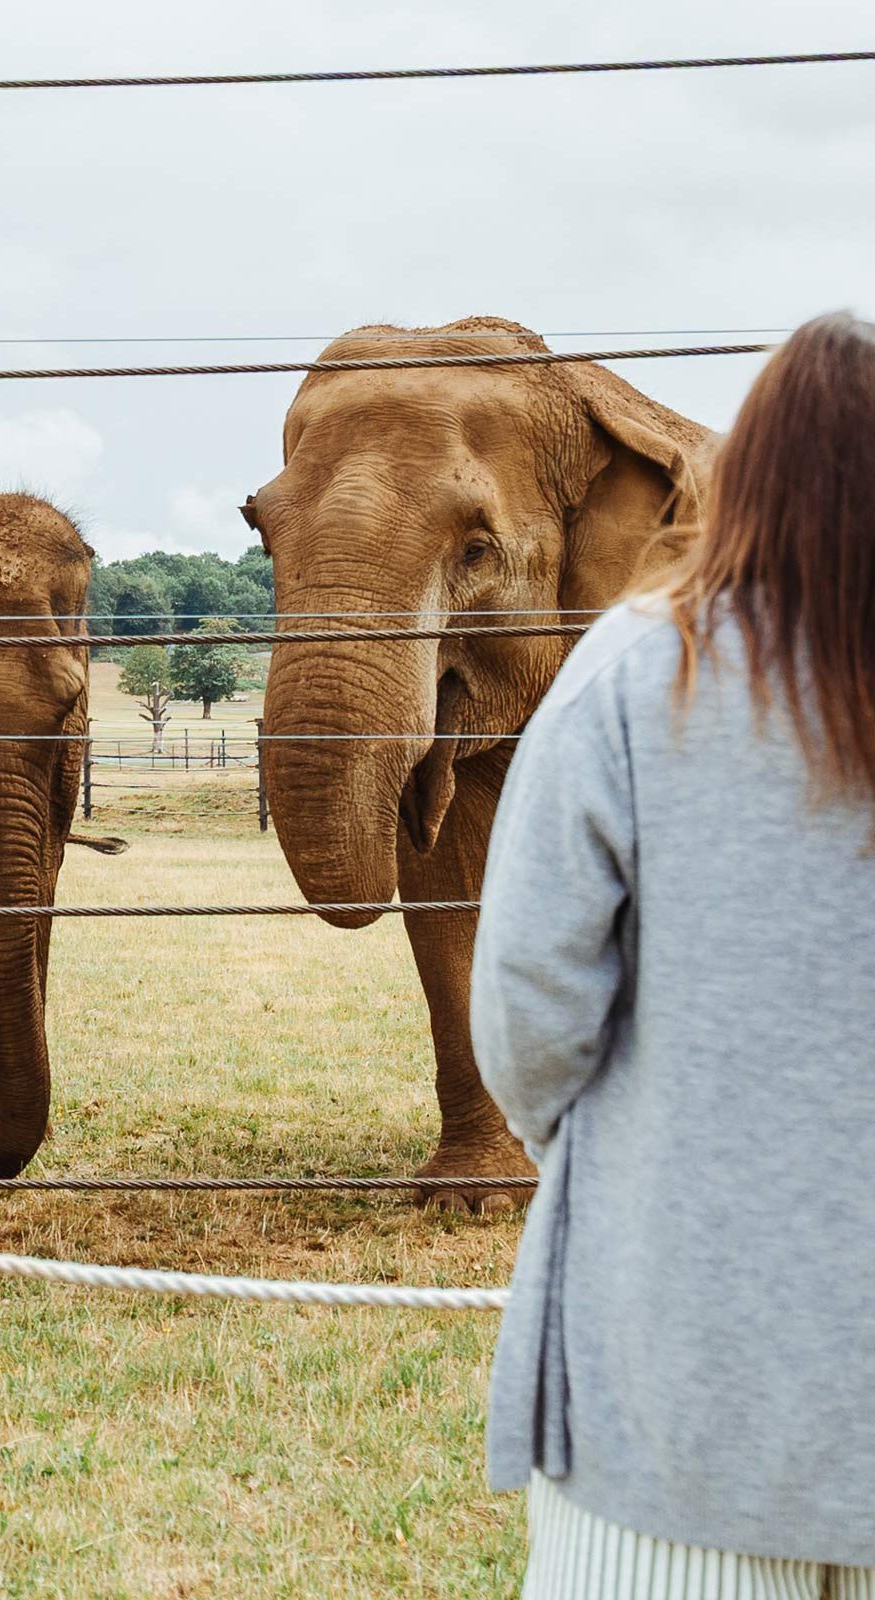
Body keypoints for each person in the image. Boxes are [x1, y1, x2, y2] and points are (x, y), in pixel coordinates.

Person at [470, 312, 875, 1600]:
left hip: (675, 1383)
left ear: (745, 471)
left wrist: (632, 1162)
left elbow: (530, 1003)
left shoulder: (639, 674)